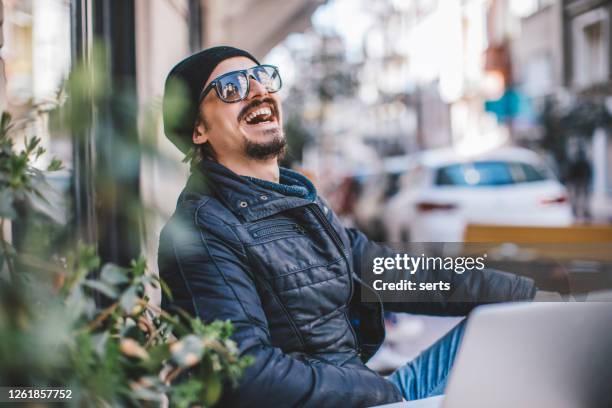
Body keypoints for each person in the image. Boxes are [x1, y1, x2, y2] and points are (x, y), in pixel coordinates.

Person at [158, 46, 538, 407]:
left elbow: (401, 274)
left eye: (261, 77)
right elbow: (247, 374)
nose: (257, 90)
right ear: (198, 130)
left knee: (520, 320)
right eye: (231, 88)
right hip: (362, 399)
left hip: (367, 393)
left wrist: (528, 292)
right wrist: (374, 391)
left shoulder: (300, 205)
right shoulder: (202, 231)